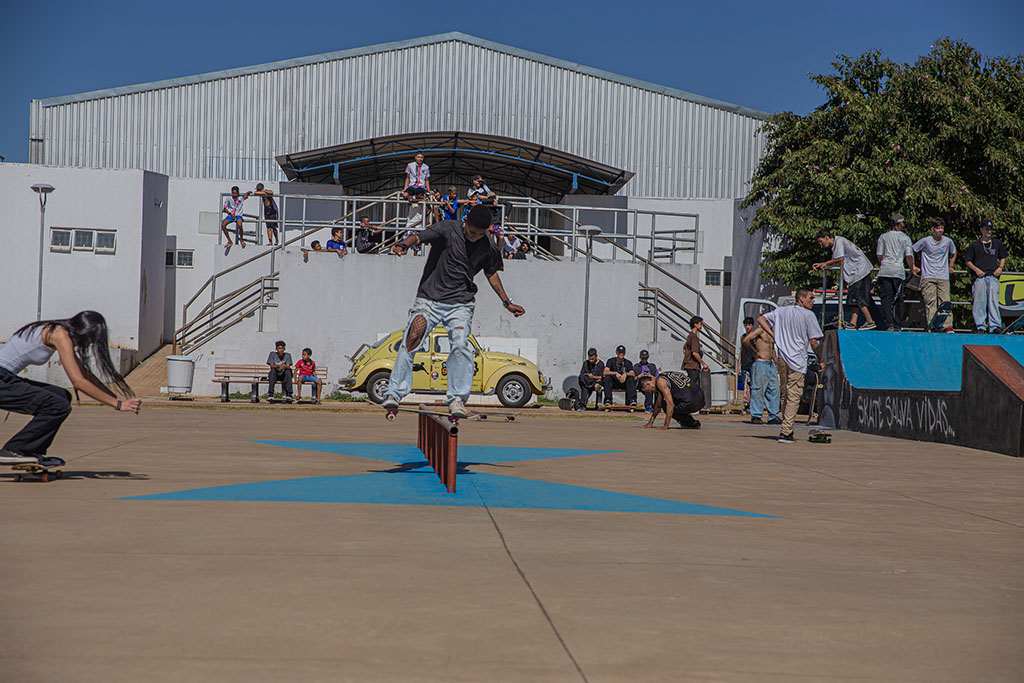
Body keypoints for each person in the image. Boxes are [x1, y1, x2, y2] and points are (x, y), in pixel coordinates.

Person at [383, 205, 525, 417]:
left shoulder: (488, 246)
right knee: (412, 337)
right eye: (471, 232)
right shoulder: (448, 228)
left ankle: (457, 398)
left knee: (460, 345)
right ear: (466, 222)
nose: (474, 237)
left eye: (480, 234)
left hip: (460, 304)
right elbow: (419, 237)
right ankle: (395, 392)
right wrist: (404, 244)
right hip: (429, 299)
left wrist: (507, 302)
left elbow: (491, 274)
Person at [0, 311, 141, 465]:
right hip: (2, 379)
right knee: (57, 405)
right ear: (85, 334)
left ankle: (31, 451)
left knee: (61, 396)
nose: (88, 345)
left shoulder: (57, 330)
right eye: (91, 341)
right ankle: (14, 450)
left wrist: (115, 399)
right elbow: (78, 381)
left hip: (6, 378)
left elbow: (84, 374)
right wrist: (118, 405)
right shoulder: (59, 334)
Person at [757, 288, 824, 443]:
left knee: (786, 393)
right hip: (797, 360)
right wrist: (821, 359)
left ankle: (785, 424)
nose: (813, 301)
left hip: (782, 358)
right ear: (801, 299)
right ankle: (786, 431)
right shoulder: (808, 315)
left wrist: (774, 334)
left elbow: (761, 319)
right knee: (794, 394)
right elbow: (814, 342)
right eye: (811, 298)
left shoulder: (782, 311)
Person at [813, 230, 876, 330]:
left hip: (859, 271)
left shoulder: (839, 241)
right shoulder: (836, 246)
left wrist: (826, 263)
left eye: (821, 241)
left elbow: (840, 259)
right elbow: (837, 261)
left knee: (858, 298)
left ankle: (870, 321)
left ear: (826, 237)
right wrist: (822, 264)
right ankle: (853, 322)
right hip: (855, 274)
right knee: (853, 299)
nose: (821, 244)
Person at [874, 213, 918, 331]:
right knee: (899, 298)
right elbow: (909, 256)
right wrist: (912, 268)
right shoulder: (905, 238)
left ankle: (889, 324)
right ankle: (898, 324)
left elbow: (879, 255)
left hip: (885, 271)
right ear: (899, 224)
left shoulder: (883, 237)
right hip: (898, 271)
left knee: (886, 298)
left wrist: (886, 263)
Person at [913, 218, 957, 332]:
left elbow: (954, 252)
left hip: (943, 276)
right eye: (938, 228)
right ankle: (932, 325)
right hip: (928, 275)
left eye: (942, 228)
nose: (940, 230)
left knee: (945, 302)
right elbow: (913, 250)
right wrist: (914, 266)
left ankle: (947, 326)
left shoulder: (948, 241)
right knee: (930, 302)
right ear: (932, 229)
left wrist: (951, 265)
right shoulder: (925, 241)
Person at [964, 219, 1008, 333]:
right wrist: (976, 270)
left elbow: (1003, 257)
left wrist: (1000, 267)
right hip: (979, 277)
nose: (989, 231)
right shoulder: (975, 245)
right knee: (980, 302)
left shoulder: (997, 243)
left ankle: (995, 326)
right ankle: (981, 326)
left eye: (990, 229)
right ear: (981, 230)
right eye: (986, 229)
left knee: (993, 301)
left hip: (992, 276)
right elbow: (968, 261)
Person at [741, 320, 781, 425]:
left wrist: (776, 362)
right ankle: (756, 415)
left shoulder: (772, 333)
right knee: (758, 390)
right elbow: (746, 340)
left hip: (770, 364)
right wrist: (755, 352)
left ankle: (773, 416)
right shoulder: (760, 330)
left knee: (774, 390)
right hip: (760, 363)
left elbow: (772, 349)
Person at [640, 372, 704, 430]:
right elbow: (658, 405)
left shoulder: (660, 382)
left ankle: (691, 422)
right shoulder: (663, 376)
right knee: (664, 402)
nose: (650, 392)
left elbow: (670, 405)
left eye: (648, 390)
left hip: (691, 402)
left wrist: (665, 425)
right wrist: (651, 422)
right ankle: (690, 421)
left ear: (648, 384)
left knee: (666, 405)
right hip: (701, 398)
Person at [682, 316, 710, 383]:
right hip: (693, 367)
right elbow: (695, 353)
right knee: (693, 385)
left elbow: (684, 349)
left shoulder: (690, 336)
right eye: (700, 324)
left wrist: (688, 357)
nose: (701, 326)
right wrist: (704, 364)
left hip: (690, 365)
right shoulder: (694, 337)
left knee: (690, 384)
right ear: (695, 324)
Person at [738, 316, 755, 397]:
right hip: (744, 363)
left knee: (753, 384)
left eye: (749, 325)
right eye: (746, 325)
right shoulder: (743, 337)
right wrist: (738, 364)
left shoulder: (754, 337)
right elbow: (741, 350)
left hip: (752, 362)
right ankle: (746, 400)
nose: (747, 327)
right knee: (744, 384)